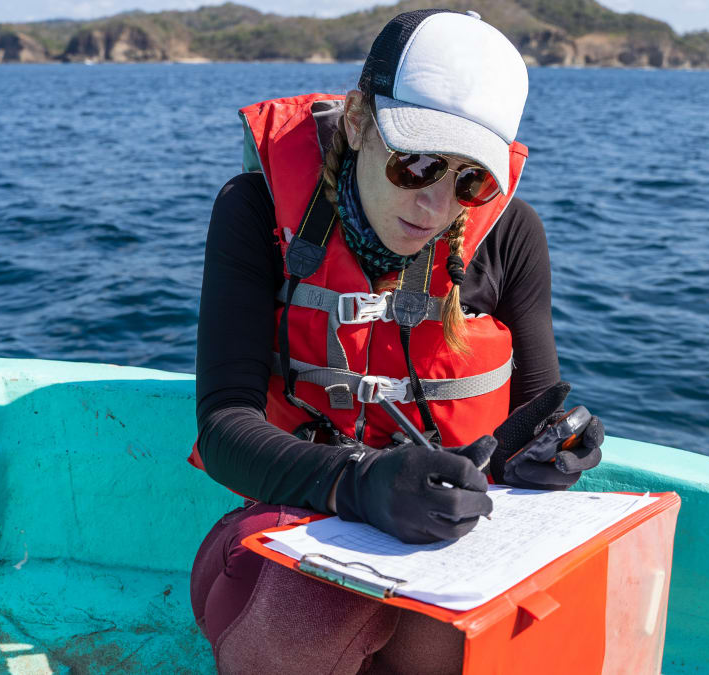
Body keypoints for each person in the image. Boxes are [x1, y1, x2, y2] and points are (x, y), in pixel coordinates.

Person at [188, 9, 604, 674]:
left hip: (449, 541)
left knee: (463, 645)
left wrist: (545, 456)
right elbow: (223, 425)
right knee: (293, 632)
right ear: (357, 121)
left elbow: (533, 416)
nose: (436, 207)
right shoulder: (253, 210)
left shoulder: (515, 237)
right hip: (294, 518)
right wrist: (359, 483)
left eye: (470, 180)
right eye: (416, 163)